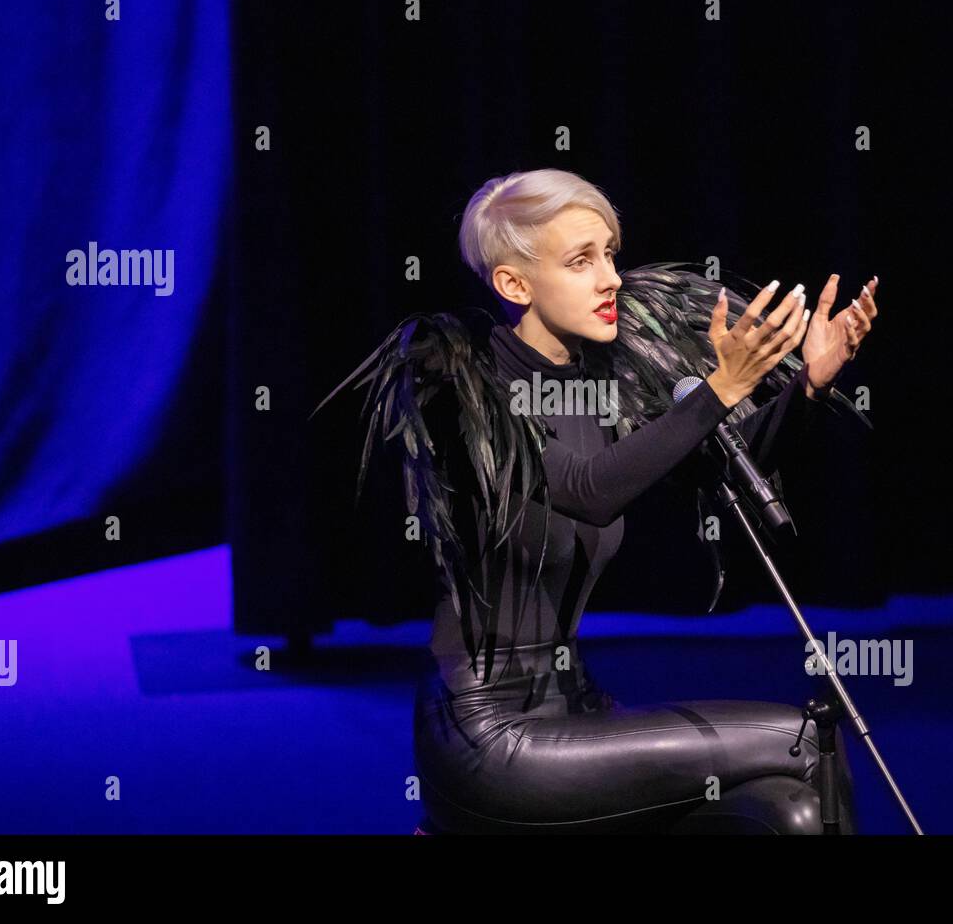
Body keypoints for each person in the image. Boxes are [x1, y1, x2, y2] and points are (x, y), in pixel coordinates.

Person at [329, 168, 878, 833]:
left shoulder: (599, 385)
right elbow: (590, 492)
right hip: (490, 735)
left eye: (611, 255)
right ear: (514, 284)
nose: (612, 277)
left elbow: (716, 458)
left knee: (790, 811)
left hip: (576, 709)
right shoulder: (464, 395)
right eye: (582, 260)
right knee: (803, 738)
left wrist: (807, 387)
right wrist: (720, 387)